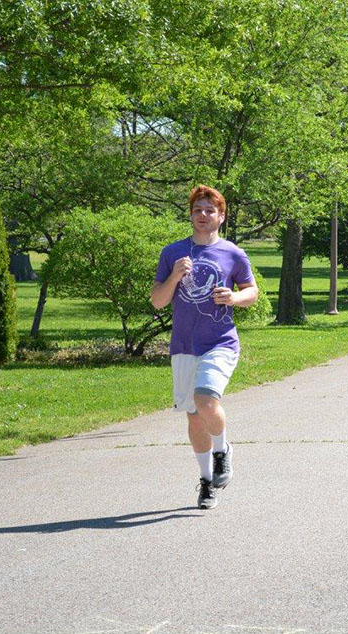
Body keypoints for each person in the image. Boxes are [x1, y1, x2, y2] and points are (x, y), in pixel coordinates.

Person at [151, 185, 259, 509]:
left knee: (205, 398)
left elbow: (251, 291)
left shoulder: (233, 254)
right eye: (198, 210)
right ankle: (207, 481)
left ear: (221, 217)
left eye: (210, 211)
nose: (203, 215)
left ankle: (223, 450)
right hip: (185, 345)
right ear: (191, 214)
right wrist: (174, 277)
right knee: (194, 417)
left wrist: (235, 298)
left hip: (221, 341)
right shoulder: (173, 253)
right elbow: (158, 301)